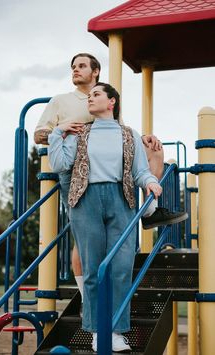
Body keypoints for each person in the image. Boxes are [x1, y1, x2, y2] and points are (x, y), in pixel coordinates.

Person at [48, 82, 188, 352]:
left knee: (121, 268)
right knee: (92, 269)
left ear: (111, 102)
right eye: (89, 95)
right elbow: (60, 164)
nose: (91, 98)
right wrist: (58, 133)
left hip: (120, 198)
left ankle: (115, 331)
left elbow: (139, 171)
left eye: (96, 94)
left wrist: (150, 182)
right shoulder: (80, 133)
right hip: (85, 200)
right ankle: (96, 331)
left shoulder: (128, 134)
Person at [34, 53, 165, 306]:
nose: (75, 70)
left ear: (95, 71)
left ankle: (149, 206)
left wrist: (143, 139)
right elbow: (39, 134)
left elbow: (120, 134)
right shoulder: (62, 101)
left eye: (81, 66)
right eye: (73, 66)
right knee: (84, 240)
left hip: (107, 170)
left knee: (154, 148)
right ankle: (87, 299)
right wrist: (60, 130)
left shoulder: (103, 98)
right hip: (76, 169)